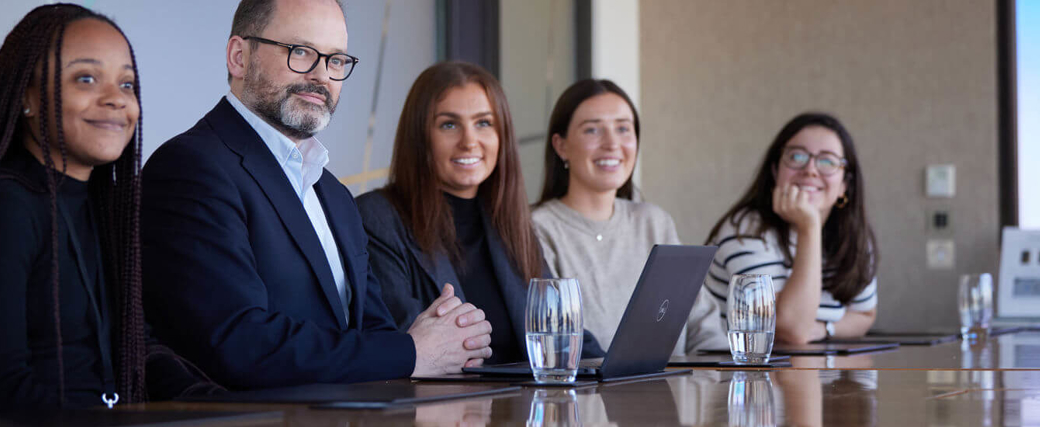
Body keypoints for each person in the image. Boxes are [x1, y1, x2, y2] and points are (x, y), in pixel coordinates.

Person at [140, 0, 492, 389]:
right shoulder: (191, 168)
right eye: (301, 51)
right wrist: (412, 352)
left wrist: (437, 337)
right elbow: (238, 344)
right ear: (239, 56)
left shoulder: (334, 195)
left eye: (336, 60)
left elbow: (372, 334)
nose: (322, 75)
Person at [0, 4, 218, 412]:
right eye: (87, 79)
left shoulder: (105, 209)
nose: (115, 99)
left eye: (127, 85)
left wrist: (219, 405)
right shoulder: (2, 207)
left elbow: (137, 346)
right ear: (28, 97)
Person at [357, 62, 605, 364]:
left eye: (484, 123)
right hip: (439, 407)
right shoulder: (378, 218)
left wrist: (622, 367)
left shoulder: (509, 222)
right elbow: (400, 337)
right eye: (449, 124)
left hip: (523, 407)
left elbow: (562, 333)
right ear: (420, 137)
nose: (469, 141)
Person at [530, 79, 724, 356]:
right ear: (561, 146)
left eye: (623, 128)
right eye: (593, 130)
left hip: (673, 395)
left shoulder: (654, 222)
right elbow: (554, 345)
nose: (612, 144)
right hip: (585, 397)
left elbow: (703, 328)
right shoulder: (537, 228)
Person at [704, 113, 878, 344]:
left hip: (813, 371)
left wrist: (825, 328)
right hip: (742, 375)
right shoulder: (746, 230)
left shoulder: (852, 235)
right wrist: (810, 228)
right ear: (776, 171)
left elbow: (864, 315)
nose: (811, 170)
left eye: (827, 161)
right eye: (797, 156)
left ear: (844, 184)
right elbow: (790, 329)